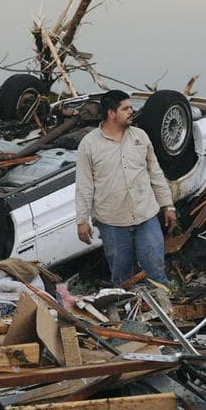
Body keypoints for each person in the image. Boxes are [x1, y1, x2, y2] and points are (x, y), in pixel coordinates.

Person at [75, 90, 176, 286]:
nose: (131, 111)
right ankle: (126, 311)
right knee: (122, 278)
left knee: (155, 270)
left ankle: (164, 309)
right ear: (111, 113)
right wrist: (82, 220)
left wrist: (168, 205)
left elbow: (155, 173)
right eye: (126, 108)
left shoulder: (141, 137)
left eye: (131, 107)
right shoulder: (89, 145)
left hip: (146, 216)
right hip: (112, 222)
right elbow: (84, 185)